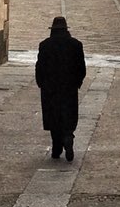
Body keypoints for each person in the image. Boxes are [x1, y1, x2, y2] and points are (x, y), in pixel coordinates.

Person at [35, 15, 86, 161]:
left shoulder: (45, 45)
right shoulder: (76, 45)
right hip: (69, 88)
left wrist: (41, 83)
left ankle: (56, 148)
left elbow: (39, 67)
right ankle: (68, 136)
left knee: (53, 117)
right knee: (68, 115)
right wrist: (78, 82)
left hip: (50, 89)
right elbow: (81, 67)